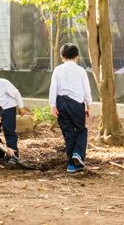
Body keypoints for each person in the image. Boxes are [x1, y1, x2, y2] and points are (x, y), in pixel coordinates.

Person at [49, 43, 92, 174]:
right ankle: (77, 154)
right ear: (77, 57)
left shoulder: (58, 69)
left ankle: (71, 164)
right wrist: (88, 104)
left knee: (68, 132)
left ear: (62, 57)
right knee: (81, 130)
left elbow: (53, 88)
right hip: (76, 103)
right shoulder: (81, 71)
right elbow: (86, 89)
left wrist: (53, 105)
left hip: (61, 102)